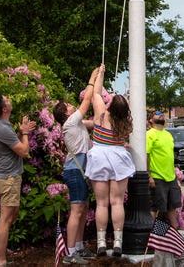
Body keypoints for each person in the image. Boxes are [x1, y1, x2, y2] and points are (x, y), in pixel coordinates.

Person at [85, 64, 135, 257]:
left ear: (111, 106)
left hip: (99, 156)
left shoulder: (101, 114)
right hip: (118, 157)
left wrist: (101, 74)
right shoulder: (125, 124)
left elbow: (96, 93)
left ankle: (100, 243)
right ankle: (118, 243)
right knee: (117, 202)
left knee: (102, 203)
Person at [52, 66, 100, 264]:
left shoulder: (76, 123)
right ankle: (70, 253)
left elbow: (95, 122)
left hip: (80, 169)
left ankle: (78, 247)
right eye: (69, 105)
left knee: (83, 207)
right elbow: (87, 101)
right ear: (66, 112)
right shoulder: (70, 122)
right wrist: (91, 78)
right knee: (77, 210)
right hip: (75, 169)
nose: (73, 105)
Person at [0, 93, 36, 267]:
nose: (10, 99)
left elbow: (14, 146)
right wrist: (26, 133)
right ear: (4, 109)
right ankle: (1, 262)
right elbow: (23, 151)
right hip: (8, 178)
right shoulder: (2, 128)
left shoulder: (0, 124)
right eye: (7, 100)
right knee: (6, 218)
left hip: (9, 176)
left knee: (11, 215)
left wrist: (21, 131)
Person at [146, 110, 181, 229]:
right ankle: (149, 238)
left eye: (161, 113)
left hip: (171, 177)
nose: (160, 114)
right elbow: (146, 155)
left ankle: (176, 231)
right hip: (157, 177)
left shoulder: (168, 134)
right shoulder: (149, 134)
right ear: (151, 120)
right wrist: (149, 176)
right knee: (155, 207)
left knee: (172, 206)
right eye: (157, 113)